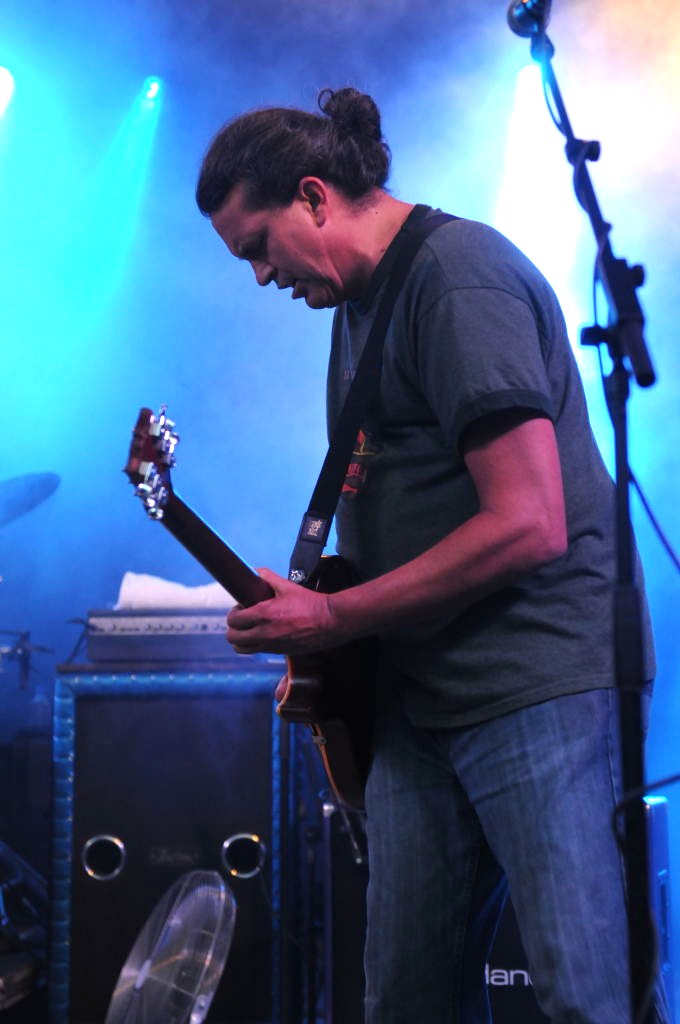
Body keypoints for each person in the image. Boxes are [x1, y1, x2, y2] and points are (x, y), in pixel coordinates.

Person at [195, 88, 667, 1024]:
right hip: (421, 698)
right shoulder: (357, 303)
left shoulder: (457, 279)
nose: (259, 276)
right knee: (405, 1002)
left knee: (587, 998)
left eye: (258, 246)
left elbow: (529, 522)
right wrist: (325, 626)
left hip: (535, 684)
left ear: (315, 197)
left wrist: (334, 616)